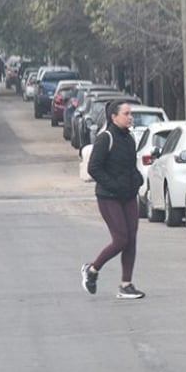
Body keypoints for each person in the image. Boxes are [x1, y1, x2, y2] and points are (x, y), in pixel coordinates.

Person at [81, 100, 146, 300]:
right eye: (126, 113)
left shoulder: (129, 139)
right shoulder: (105, 138)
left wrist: (137, 179)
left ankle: (126, 284)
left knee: (131, 239)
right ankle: (92, 270)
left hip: (128, 196)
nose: (130, 117)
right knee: (120, 239)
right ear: (114, 116)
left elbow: (130, 165)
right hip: (109, 197)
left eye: (130, 113)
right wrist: (114, 184)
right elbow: (94, 168)